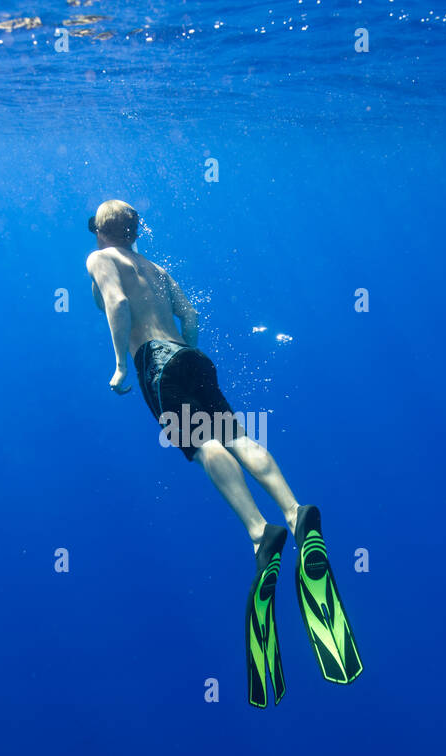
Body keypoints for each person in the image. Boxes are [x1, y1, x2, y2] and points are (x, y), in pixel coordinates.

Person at [85, 199, 362, 707]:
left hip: (155, 361)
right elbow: (190, 315)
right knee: (237, 434)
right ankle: (295, 511)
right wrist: (188, 348)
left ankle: (261, 533)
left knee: (202, 443)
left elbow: (119, 306)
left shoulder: (100, 259)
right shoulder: (157, 267)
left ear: (100, 232)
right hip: (193, 358)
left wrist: (123, 366)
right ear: (136, 231)